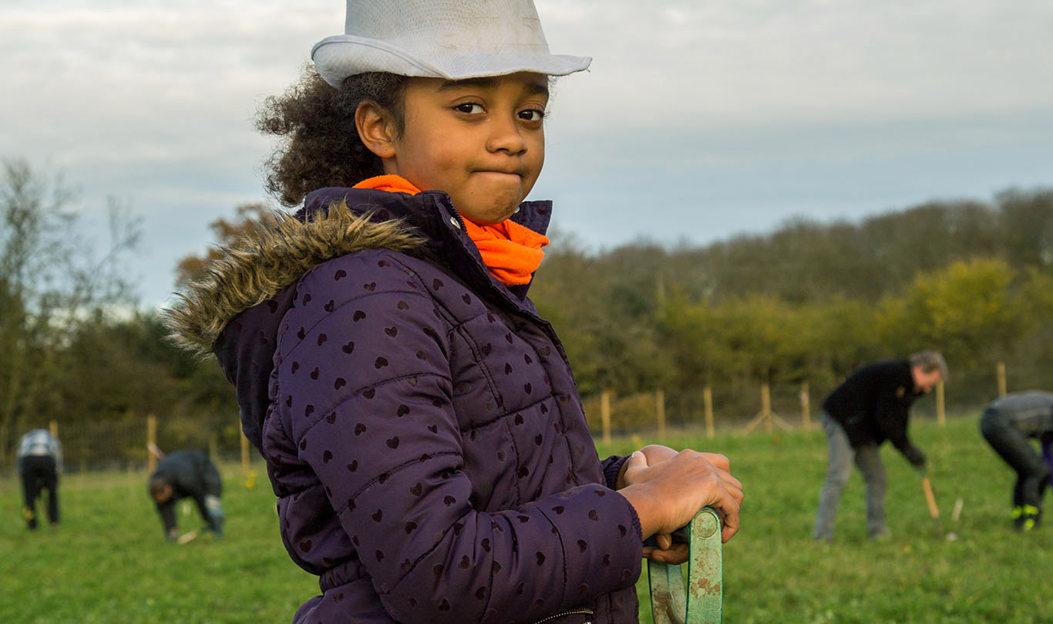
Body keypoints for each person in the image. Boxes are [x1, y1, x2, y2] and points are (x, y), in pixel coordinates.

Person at [165, 1, 744, 622]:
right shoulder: (361, 297)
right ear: (379, 128)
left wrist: (623, 482)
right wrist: (642, 511)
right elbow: (440, 574)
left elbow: (494, 491)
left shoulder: (456, 277)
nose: (511, 137)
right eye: (469, 107)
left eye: (530, 112)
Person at [813, 350, 947, 542]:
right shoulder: (894, 376)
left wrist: (908, 449)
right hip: (841, 419)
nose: (928, 390)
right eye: (930, 383)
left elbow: (898, 421)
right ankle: (822, 535)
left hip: (861, 428)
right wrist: (906, 449)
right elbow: (887, 418)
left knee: (877, 477)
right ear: (919, 369)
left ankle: (877, 533)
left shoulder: (907, 387)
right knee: (838, 476)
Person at [979, 391, 1053, 531]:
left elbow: (1049, 460)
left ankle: (1020, 519)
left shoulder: (1052, 425)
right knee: (1037, 471)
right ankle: (1030, 522)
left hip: (991, 420)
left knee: (1030, 470)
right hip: (998, 420)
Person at [147, 449, 224, 542]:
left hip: (204, 471)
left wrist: (208, 519)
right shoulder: (155, 483)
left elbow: (200, 498)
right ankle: (172, 535)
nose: (161, 502)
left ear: (167, 489)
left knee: (211, 503)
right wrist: (171, 531)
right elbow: (164, 506)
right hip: (181, 469)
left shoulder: (186, 480)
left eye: (163, 498)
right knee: (165, 504)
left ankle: (218, 533)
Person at [16, 428, 63, 530]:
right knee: (52, 493)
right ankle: (54, 522)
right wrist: (58, 469)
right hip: (47, 459)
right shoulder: (51, 437)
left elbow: (19, 454)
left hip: (28, 460)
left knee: (28, 496)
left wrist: (20, 471)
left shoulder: (26, 437)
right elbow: (57, 453)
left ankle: (31, 524)